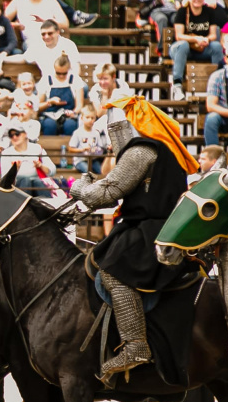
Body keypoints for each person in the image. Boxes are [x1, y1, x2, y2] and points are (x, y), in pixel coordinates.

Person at [66, 98, 198, 377]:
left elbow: (101, 196)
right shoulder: (167, 149)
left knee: (115, 271)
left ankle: (136, 344)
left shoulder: (140, 151)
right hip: (159, 227)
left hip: (150, 231)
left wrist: (79, 185)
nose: (113, 143)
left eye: (114, 133)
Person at [169, 0, 223, 94]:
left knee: (216, 46)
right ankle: (177, 83)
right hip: (182, 49)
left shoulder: (210, 12)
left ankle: (219, 81)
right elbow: (179, 36)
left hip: (202, 48)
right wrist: (196, 39)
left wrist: (206, 39)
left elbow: (213, 35)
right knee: (183, 45)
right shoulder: (182, 12)